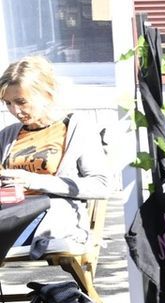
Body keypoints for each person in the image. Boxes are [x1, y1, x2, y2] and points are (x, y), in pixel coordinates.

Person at [0, 56, 111, 258]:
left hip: (49, 220)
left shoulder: (75, 128)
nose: (15, 111)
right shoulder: (9, 135)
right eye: (8, 103)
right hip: (9, 215)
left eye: (21, 102)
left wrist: (33, 180)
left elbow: (101, 186)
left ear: (47, 95)